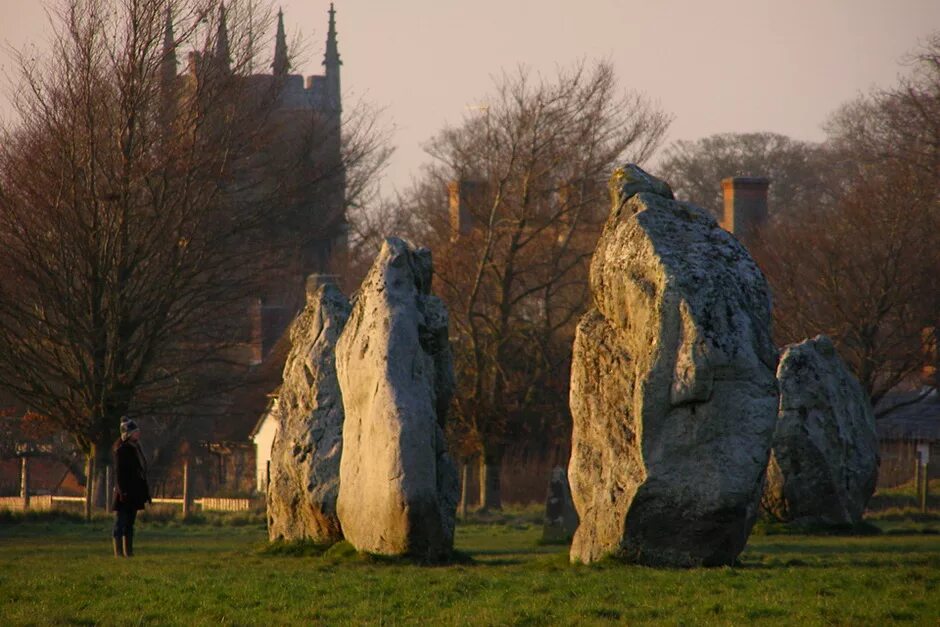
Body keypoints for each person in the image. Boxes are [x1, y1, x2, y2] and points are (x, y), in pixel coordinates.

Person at [111, 417, 151, 557]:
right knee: (120, 522)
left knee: (130, 523)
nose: (138, 434)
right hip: (124, 492)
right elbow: (119, 473)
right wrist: (122, 491)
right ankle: (118, 552)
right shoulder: (121, 450)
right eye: (135, 432)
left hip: (135, 491)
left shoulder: (136, 448)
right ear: (127, 434)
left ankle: (129, 552)